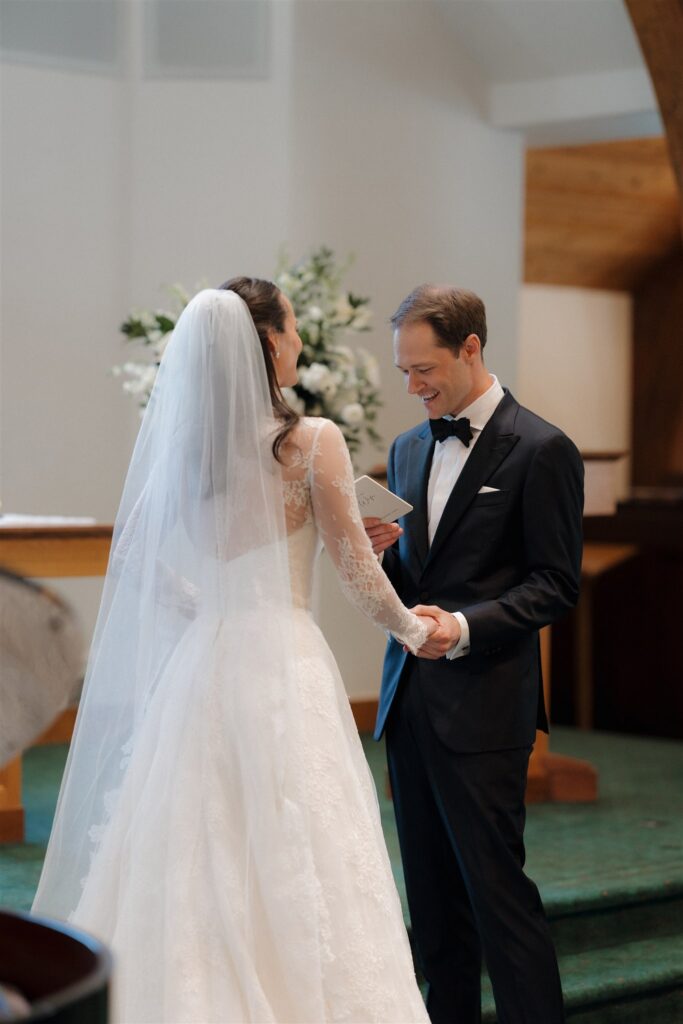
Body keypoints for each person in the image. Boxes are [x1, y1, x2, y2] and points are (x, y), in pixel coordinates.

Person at [33, 282, 434, 1024]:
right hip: (282, 658)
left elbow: (136, 555)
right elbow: (358, 575)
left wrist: (202, 604)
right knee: (294, 832)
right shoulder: (312, 439)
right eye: (292, 329)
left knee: (192, 831)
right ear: (269, 342)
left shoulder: (189, 449)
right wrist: (416, 631)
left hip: (205, 660)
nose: (300, 342)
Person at [364, 285, 584, 1024]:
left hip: (486, 706)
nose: (412, 386)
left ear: (470, 348)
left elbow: (555, 584)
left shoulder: (542, 448)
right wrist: (380, 555)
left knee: (498, 899)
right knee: (431, 908)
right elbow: (412, 581)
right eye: (404, 371)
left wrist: (461, 627)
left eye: (423, 370)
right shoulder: (406, 448)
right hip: (409, 703)